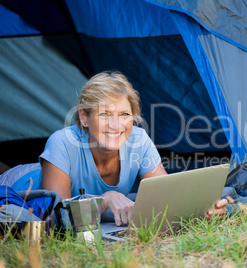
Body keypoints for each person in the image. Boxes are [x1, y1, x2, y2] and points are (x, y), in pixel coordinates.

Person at [2, 71, 228, 226]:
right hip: (21, 182)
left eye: (124, 115)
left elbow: (167, 198)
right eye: (104, 114)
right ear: (84, 117)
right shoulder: (61, 142)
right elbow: (57, 219)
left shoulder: (138, 140)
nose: (115, 125)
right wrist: (107, 198)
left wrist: (204, 210)